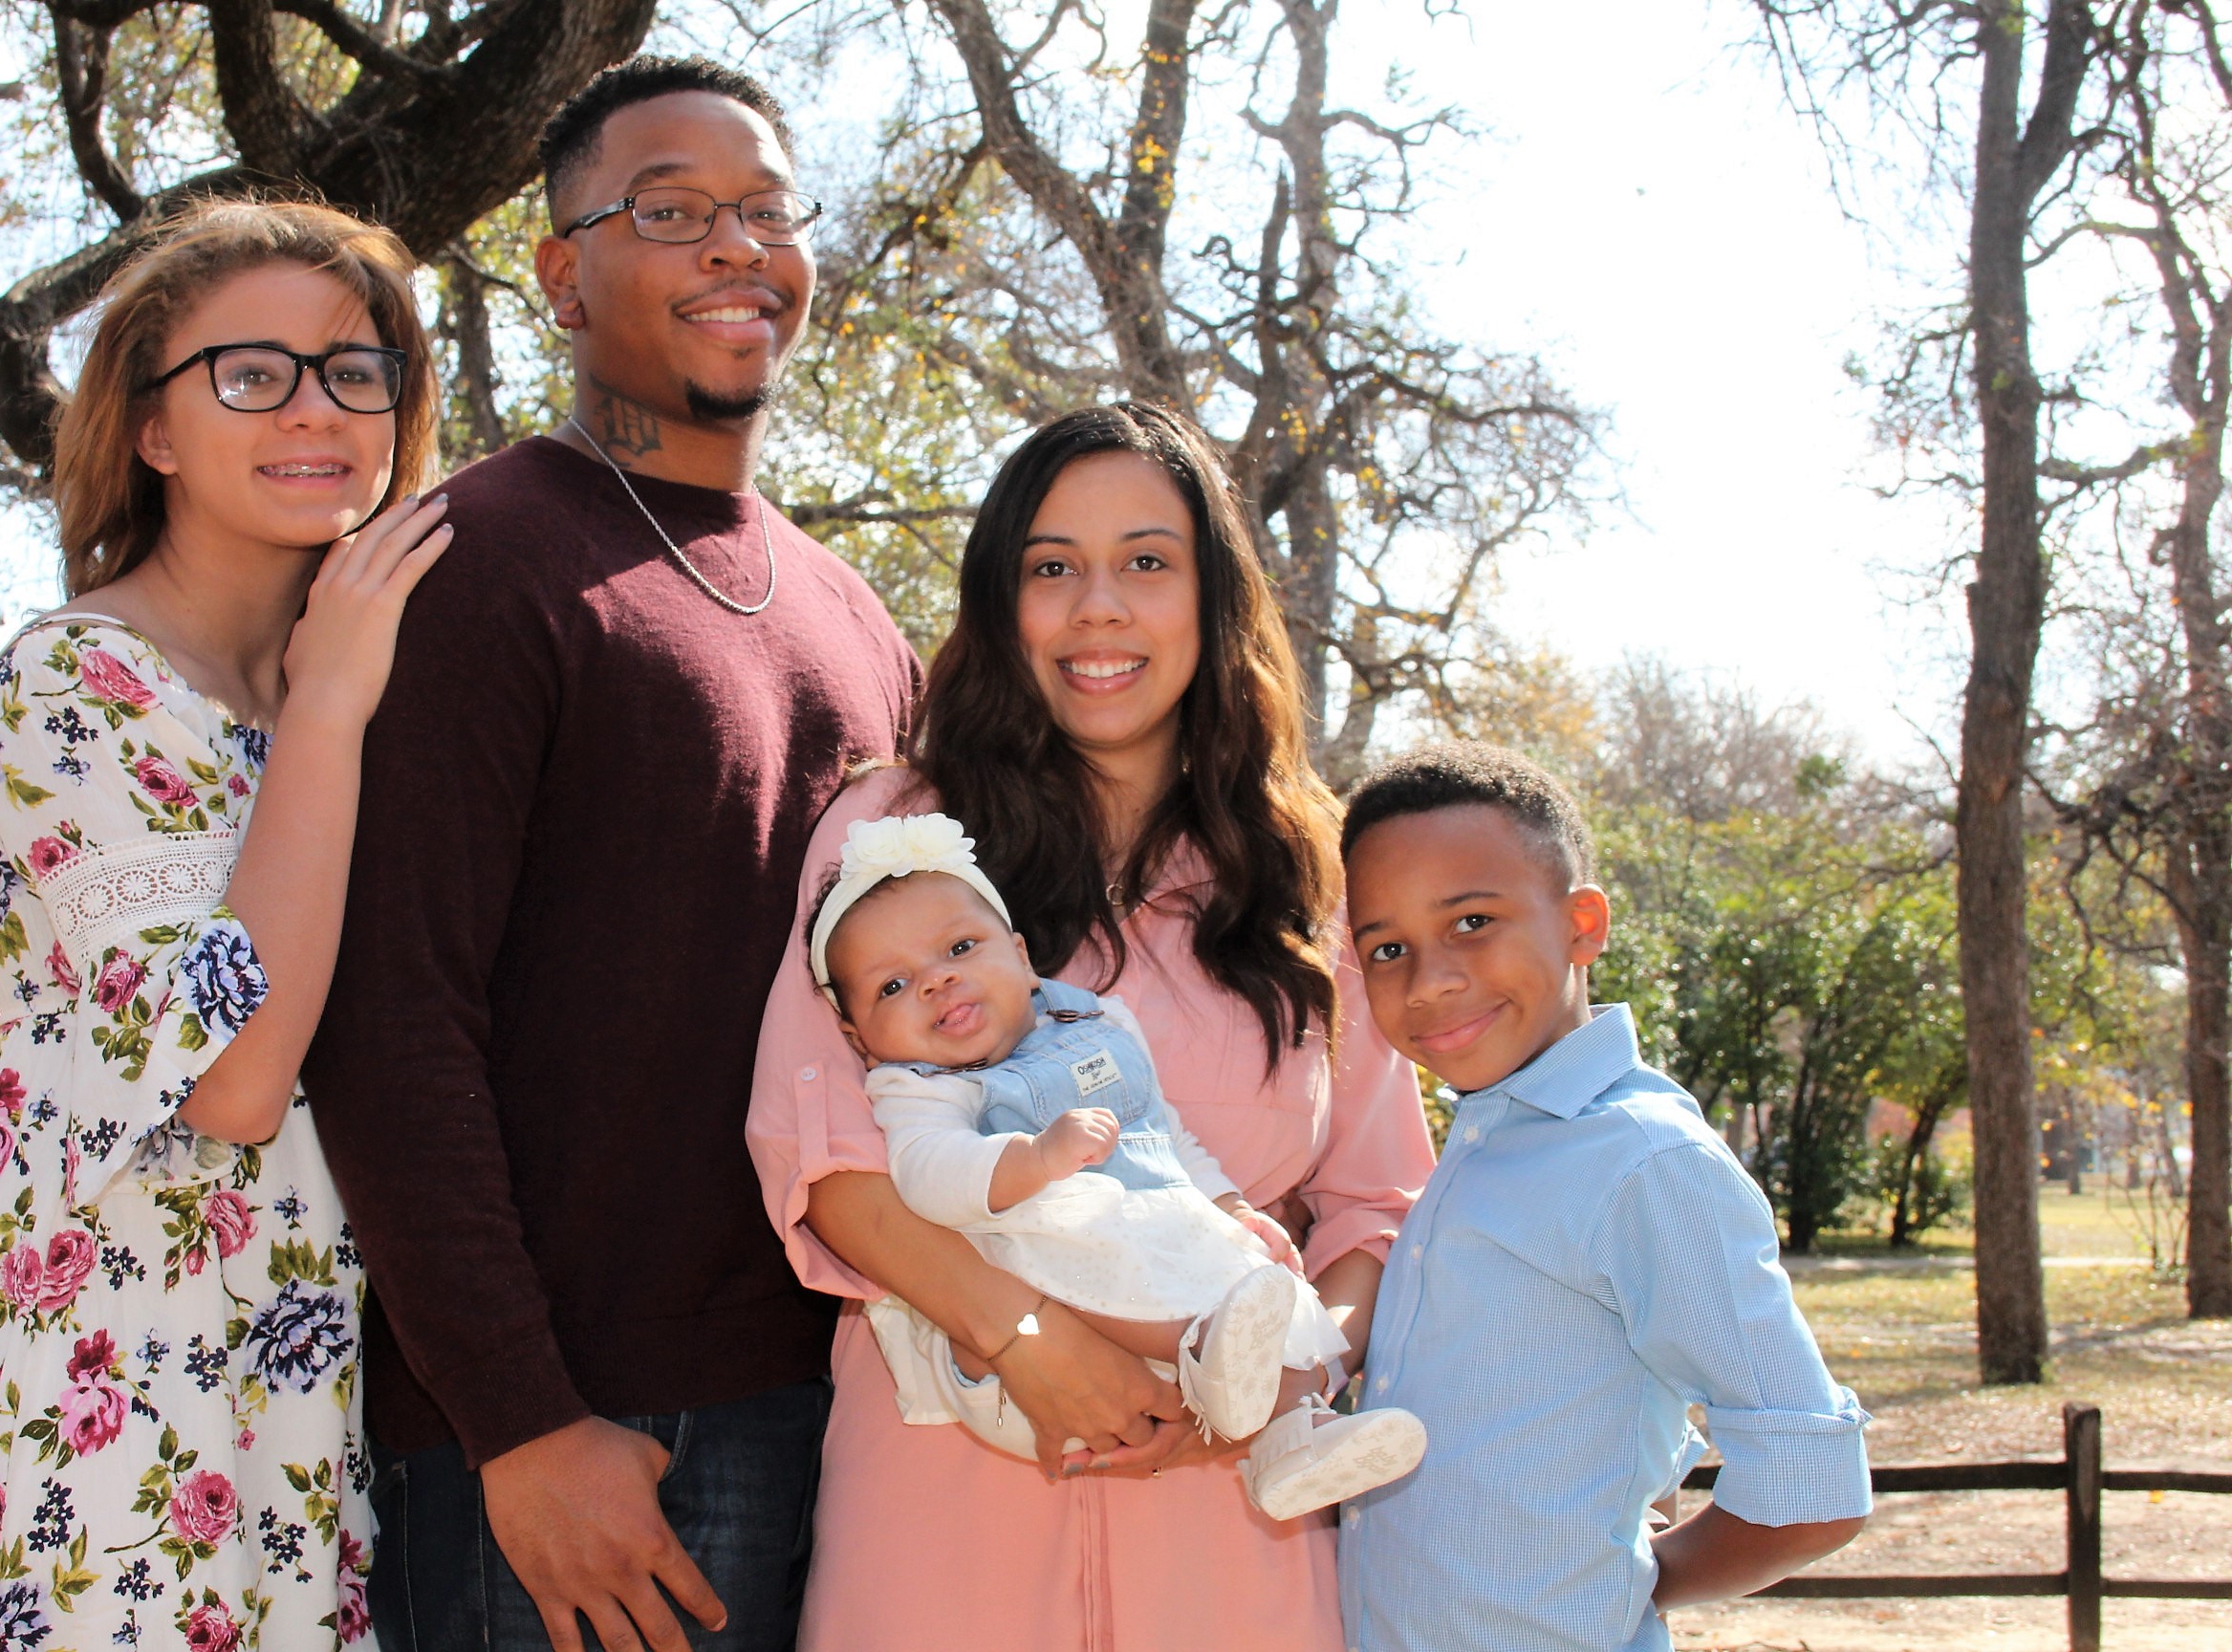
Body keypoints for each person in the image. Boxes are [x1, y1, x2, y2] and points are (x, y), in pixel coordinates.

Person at [296, 53, 919, 1652]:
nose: (736, 246)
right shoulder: (474, 563)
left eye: (767, 210)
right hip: (575, 1438)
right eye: (670, 210)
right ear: (559, 275)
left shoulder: (855, 617)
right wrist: (516, 1417)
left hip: (842, 1400)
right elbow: (389, 1019)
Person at [0, 199, 451, 1652]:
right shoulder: (73, 690)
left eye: (354, 370)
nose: (314, 408)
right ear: (152, 430)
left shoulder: (376, 675)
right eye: (251, 374)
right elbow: (233, 1079)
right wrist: (327, 711)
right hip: (108, 1362)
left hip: (304, 1366)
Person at [748, 401, 1436, 1651]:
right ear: (1000, 602)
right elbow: (824, 1153)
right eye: (1052, 567)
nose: (1099, 608)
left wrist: (1282, 1376)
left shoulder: (1309, 875)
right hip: (949, 1500)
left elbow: (1377, 1207)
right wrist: (1026, 1341)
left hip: (1234, 1530)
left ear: (1213, 600)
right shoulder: (894, 836)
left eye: (1147, 563)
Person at [1335, 741, 1872, 1652]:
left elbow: (1813, 1488)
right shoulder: (1479, 1148)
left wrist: (1641, 1584)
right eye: (1388, 948)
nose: (1431, 980)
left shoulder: (1643, 1160)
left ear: (1583, 924)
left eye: (1472, 922)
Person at [806, 810, 1426, 1518]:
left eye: (960, 947)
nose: (935, 981)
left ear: (1020, 955)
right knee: (1121, 1252)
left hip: (1146, 1239)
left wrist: (1231, 1209)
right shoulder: (918, 1085)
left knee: (1259, 1274)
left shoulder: (1097, 1025)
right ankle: (1210, 1358)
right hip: (1038, 1313)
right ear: (858, 1035)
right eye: (891, 986)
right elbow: (928, 1173)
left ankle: (1296, 1435)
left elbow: (1166, 1139)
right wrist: (1033, 1158)